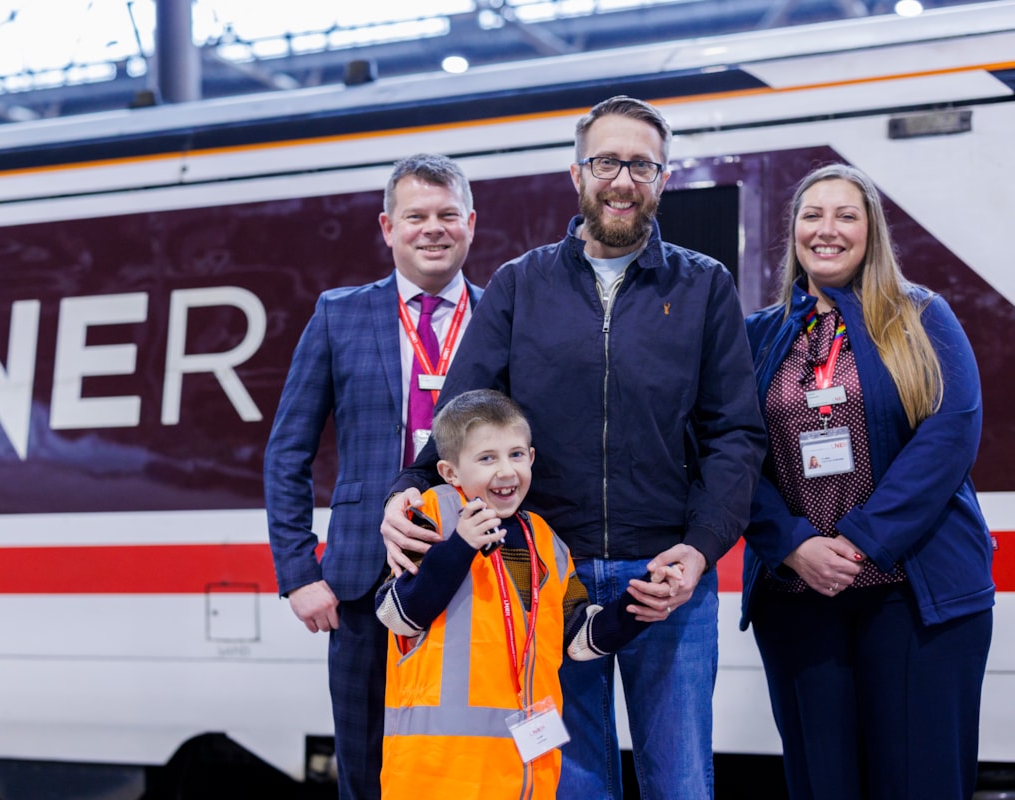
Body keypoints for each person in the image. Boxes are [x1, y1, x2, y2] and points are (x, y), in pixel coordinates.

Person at [380, 96, 767, 800]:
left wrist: (703, 548)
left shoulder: (704, 285)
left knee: (680, 783)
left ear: (663, 178)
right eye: (607, 161)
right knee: (572, 783)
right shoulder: (520, 285)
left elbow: (734, 433)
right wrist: (407, 490)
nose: (623, 180)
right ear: (577, 173)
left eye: (641, 165)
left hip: (668, 582)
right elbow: (460, 417)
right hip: (547, 580)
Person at [741, 163, 993, 800]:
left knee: (922, 782)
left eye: (846, 215)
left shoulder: (921, 317)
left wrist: (859, 543)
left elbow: (951, 433)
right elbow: (729, 452)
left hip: (915, 594)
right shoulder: (758, 335)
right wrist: (793, 544)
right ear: (793, 229)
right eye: (812, 214)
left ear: (871, 230)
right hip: (798, 596)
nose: (827, 230)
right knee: (824, 784)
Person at [264, 153, 483, 800]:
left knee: (461, 769)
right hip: (359, 579)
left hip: (473, 568)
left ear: (471, 224)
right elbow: (287, 452)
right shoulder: (340, 315)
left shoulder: (504, 315)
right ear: (387, 228)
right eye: (416, 216)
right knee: (365, 770)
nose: (433, 229)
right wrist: (300, 574)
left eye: (448, 215)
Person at [374, 389, 682, 799]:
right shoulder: (430, 516)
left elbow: (579, 640)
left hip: (524, 777)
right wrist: (460, 547)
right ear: (450, 472)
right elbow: (397, 614)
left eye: (516, 455)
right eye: (487, 458)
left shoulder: (543, 538)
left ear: (532, 458)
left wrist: (637, 606)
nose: (506, 471)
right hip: (439, 775)